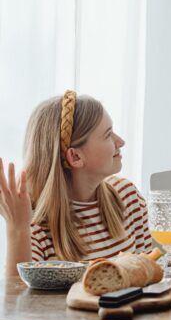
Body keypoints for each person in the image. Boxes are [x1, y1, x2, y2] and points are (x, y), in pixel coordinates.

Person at [0, 90, 153, 276]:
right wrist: (18, 229)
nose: (121, 142)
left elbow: (148, 278)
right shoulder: (36, 230)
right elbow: (16, 302)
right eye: (108, 135)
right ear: (75, 156)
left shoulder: (129, 197)